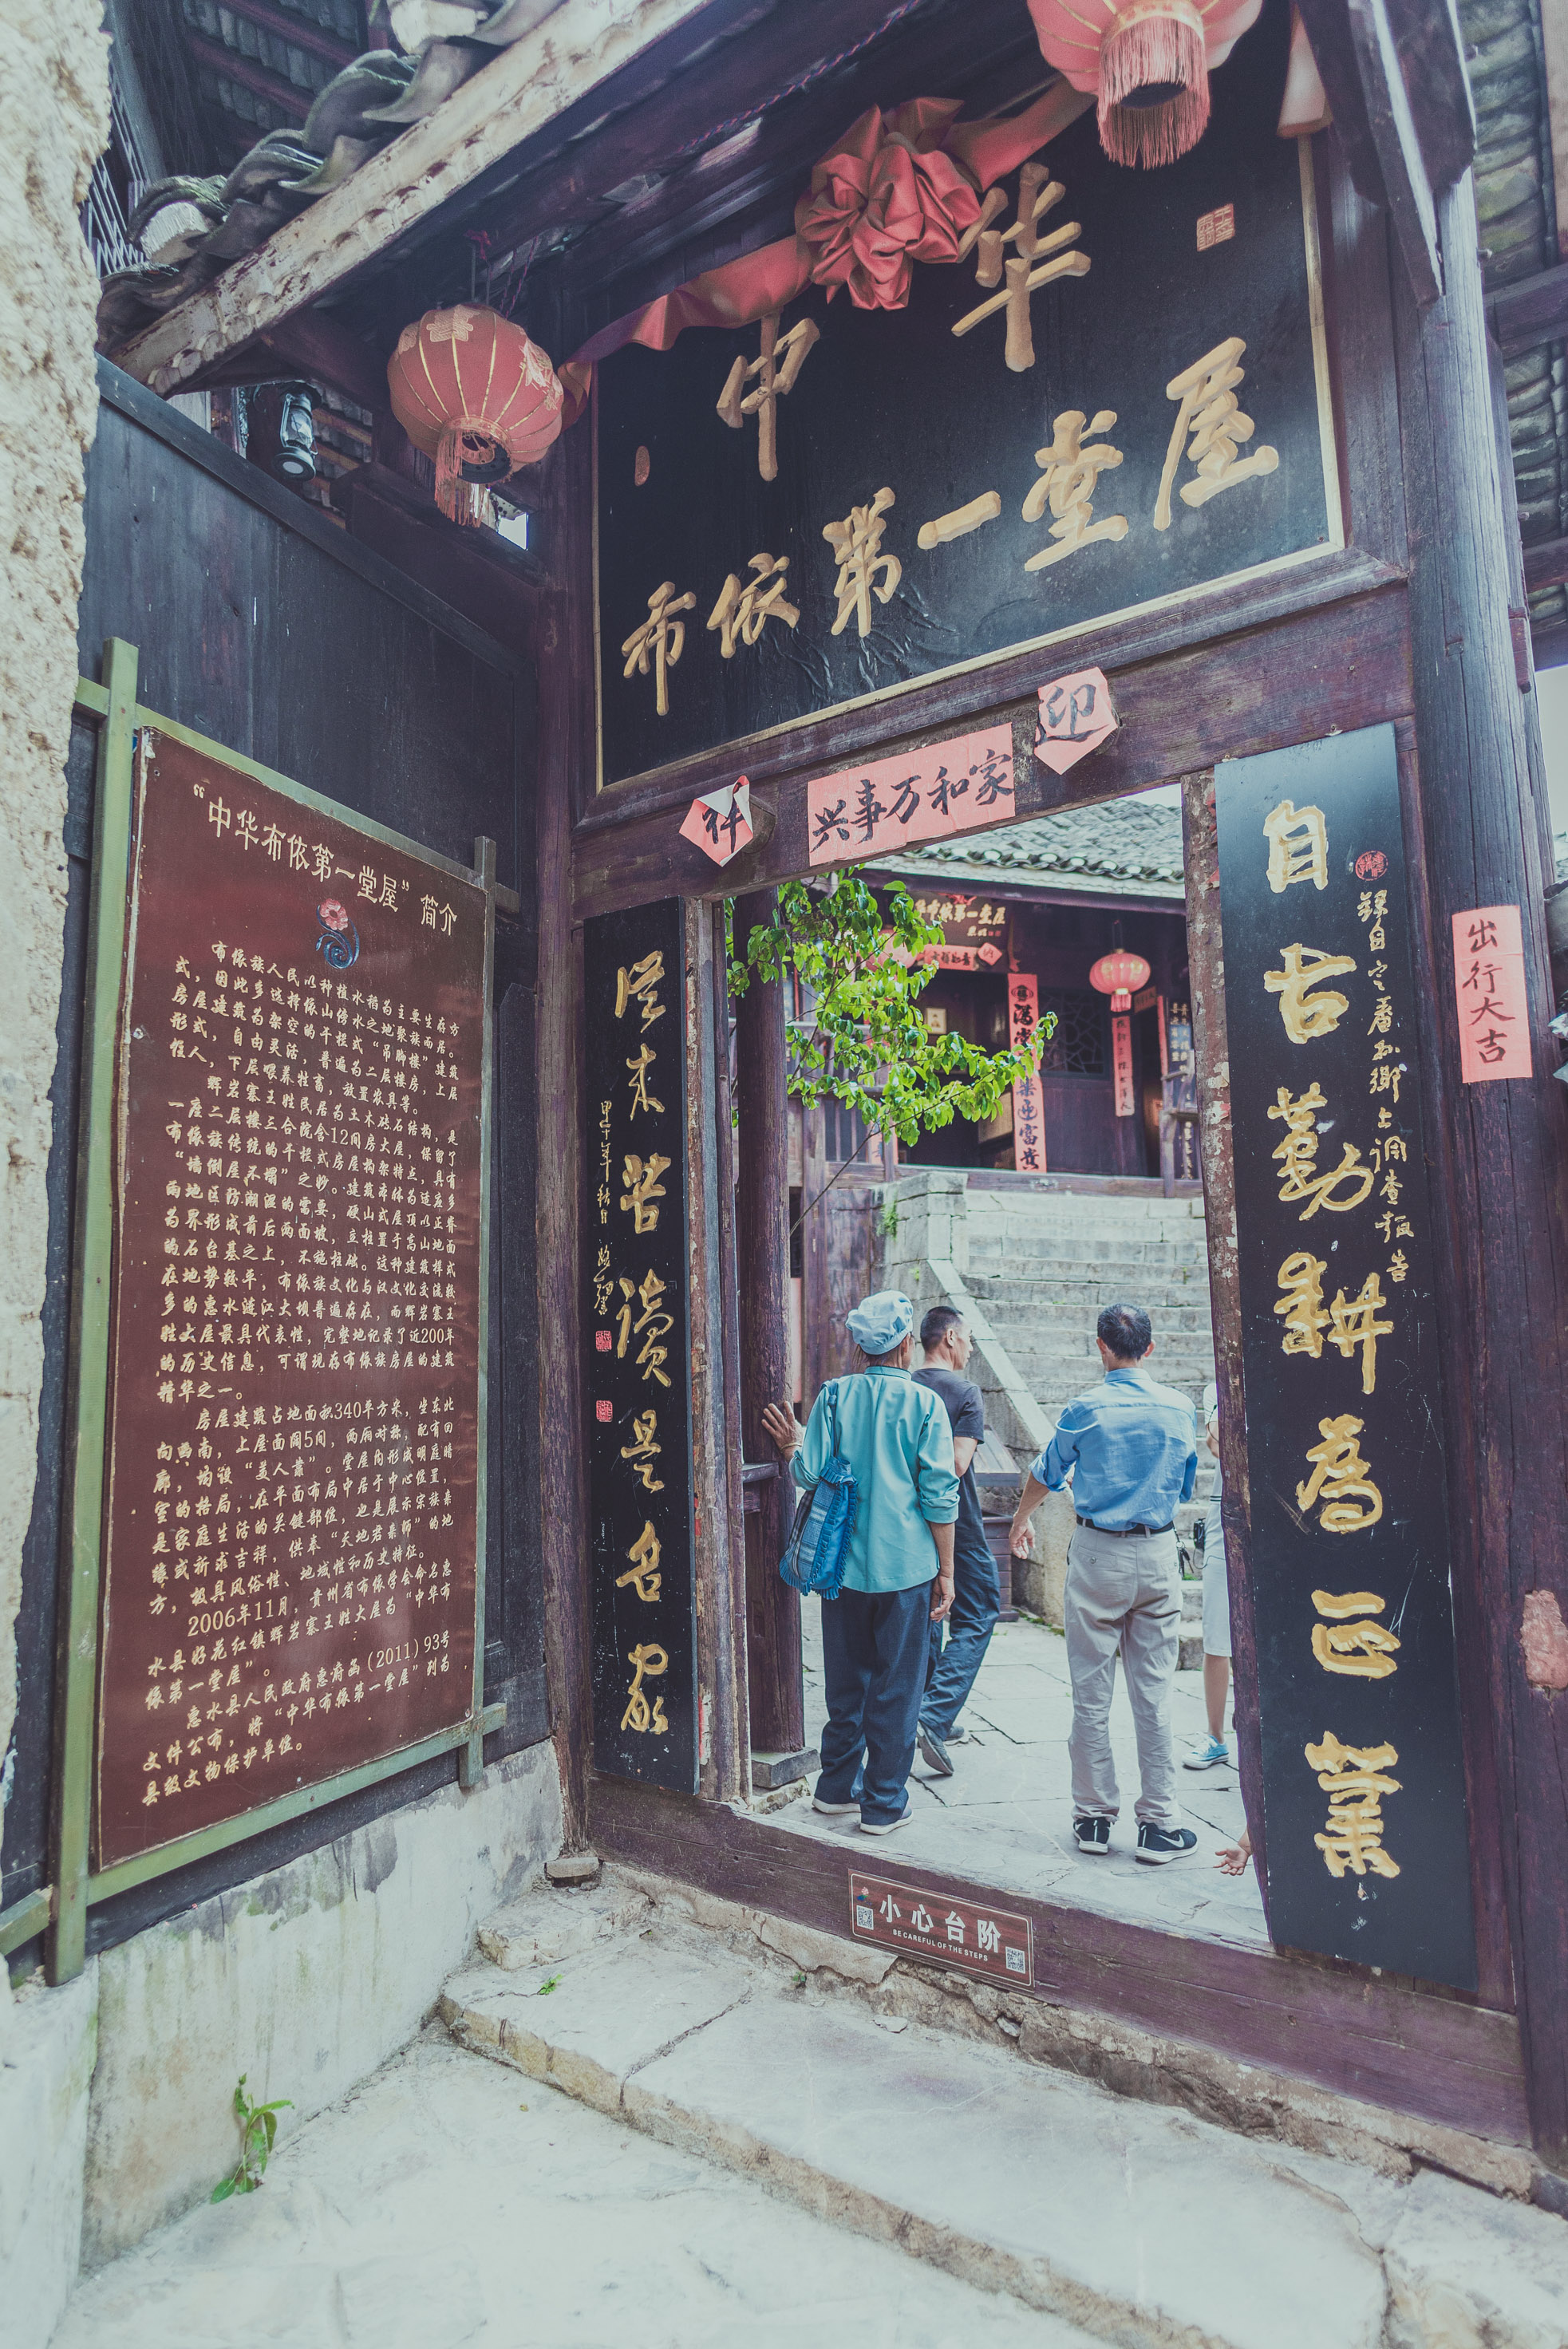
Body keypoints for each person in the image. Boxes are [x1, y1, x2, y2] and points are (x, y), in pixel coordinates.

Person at [1008, 1302, 1199, 1865]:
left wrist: (1020, 1519)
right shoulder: (1179, 1408)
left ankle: (1092, 1818)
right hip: (1158, 1551)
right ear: (1150, 1348)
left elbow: (1046, 1473)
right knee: (1154, 1694)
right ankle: (1159, 1825)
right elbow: (1184, 1487)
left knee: (1090, 1693)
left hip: (1097, 1552)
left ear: (1101, 1346)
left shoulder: (1085, 1409)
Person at [763, 1289, 957, 1835]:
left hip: (841, 1567)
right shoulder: (926, 1405)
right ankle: (884, 1804)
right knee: (898, 1687)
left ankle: (834, 1790)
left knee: (847, 1682)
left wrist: (792, 1445)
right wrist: (946, 1571)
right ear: (905, 1344)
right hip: (907, 1570)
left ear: (860, 1348)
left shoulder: (834, 1396)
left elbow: (807, 1474)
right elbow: (940, 1498)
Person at [911, 1305, 1000, 1779]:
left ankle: (928, 1714)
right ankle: (934, 1714)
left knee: (930, 1612)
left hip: (908, 1519)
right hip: (957, 1522)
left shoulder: (906, 1387)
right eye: (968, 1339)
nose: (970, 1348)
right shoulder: (965, 1392)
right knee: (980, 1610)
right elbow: (957, 1465)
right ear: (949, 1337)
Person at [1184, 1383, 1233, 1771]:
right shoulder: (1218, 1388)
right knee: (1217, 1634)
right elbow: (1218, 1446)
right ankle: (1215, 1737)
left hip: (1285, 1513)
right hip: (1225, 1521)